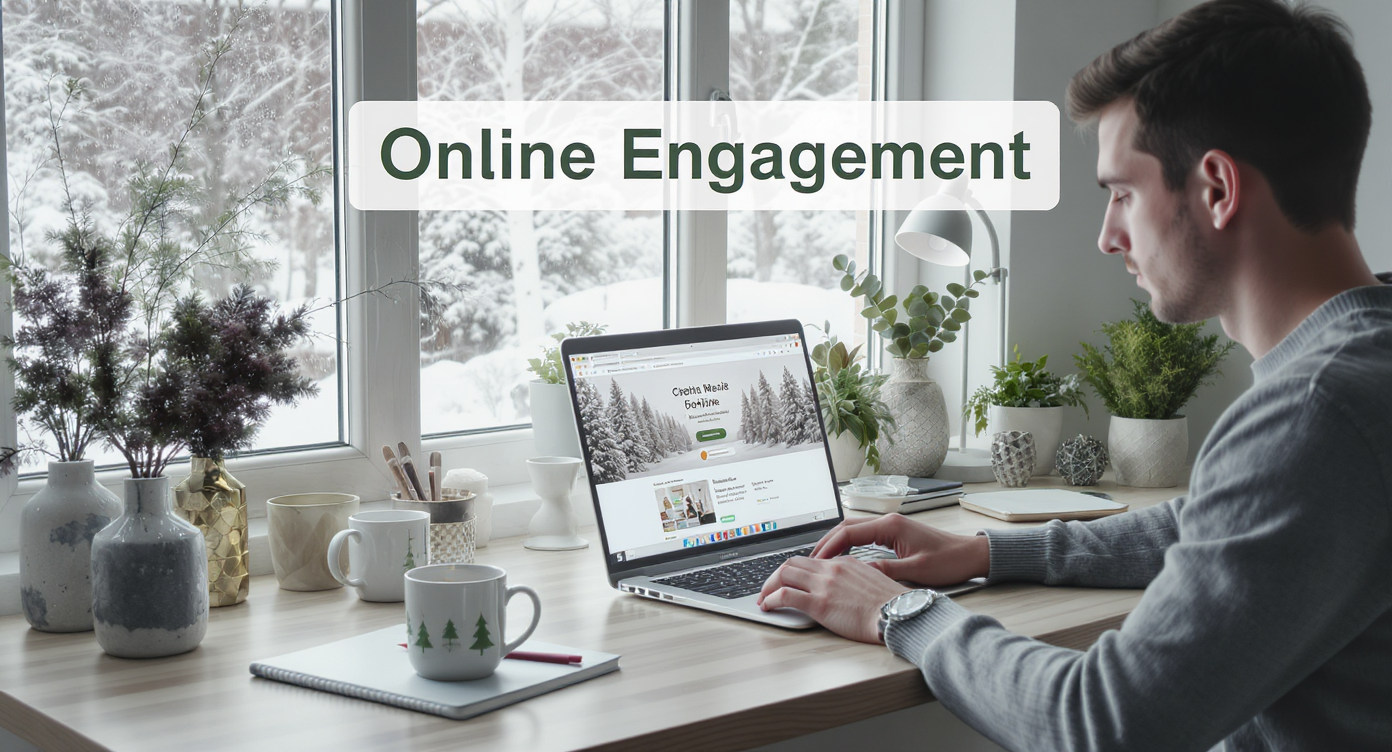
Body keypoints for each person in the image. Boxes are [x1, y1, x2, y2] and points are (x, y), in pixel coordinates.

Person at [758, 1, 1392, 749]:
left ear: (1218, 190)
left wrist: (895, 612)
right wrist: (988, 552)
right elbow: (1209, 523)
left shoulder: (1316, 412)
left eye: (1122, 193)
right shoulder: (1362, 369)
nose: (1106, 237)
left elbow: (1101, 722)